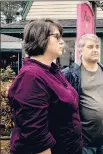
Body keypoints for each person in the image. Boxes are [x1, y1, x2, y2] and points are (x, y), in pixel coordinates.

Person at [8, 19, 82, 154]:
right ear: (40, 37)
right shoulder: (31, 77)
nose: (62, 42)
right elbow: (35, 135)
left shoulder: (52, 71)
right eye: (57, 37)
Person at [62, 34, 103, 154]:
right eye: (90, 47)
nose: (95, 50)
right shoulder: (70, 75)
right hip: (83, 143)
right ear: (80, 50)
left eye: (97, 47)